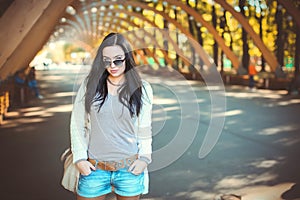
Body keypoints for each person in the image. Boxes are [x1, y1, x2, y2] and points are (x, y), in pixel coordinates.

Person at [70, 33, 153, 200]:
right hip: (94, 169)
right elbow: (77, 123)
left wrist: (144, 158)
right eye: (106, 61)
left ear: (127, 59)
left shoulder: (142, 88)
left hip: (129, 169)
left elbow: (144, 127)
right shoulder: (90, 85)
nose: (112, 65)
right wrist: (79, 159)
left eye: (118, 60)